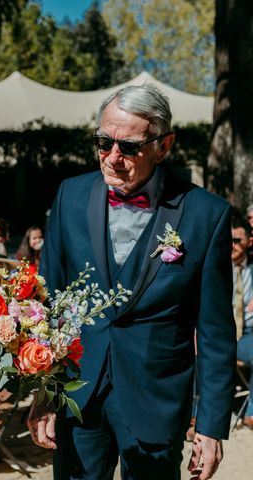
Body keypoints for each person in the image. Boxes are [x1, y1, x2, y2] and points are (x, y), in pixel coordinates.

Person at [27, 83, 236, 480]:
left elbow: (215, 333)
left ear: (164, 145)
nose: (113, 158)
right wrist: (44, 394)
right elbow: (47, 305)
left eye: (130, 147)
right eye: (104, 143)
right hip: (77, 394)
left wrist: (209, 426)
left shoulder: (207, 215)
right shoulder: (69, 196)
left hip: (156, 401)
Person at [231, 216, 253, 428]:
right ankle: (195, 416)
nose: (232, 245)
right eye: (229, 240)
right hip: (218, 335)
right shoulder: (215, 267)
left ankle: (252, 412)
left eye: (237, 241)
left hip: (247, 336)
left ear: (249, 242)